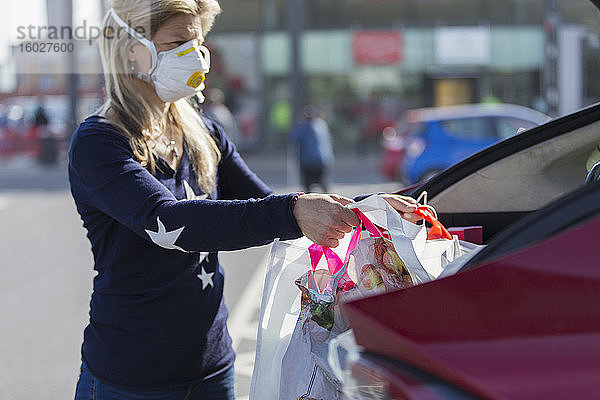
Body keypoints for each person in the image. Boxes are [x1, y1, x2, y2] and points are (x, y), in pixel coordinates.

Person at [69, 1, 419, 399]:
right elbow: (166, 223)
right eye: (177, 41)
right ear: (131, 49)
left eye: (198, 42)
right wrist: (292, 212)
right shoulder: (99, 141)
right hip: (129, 376)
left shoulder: (205, 133)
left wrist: (364, 208)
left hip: (212, 367)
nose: (195, 55)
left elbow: (267, 205)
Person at [290, 105, 334, 193]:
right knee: (323, 185)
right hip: (322, 160)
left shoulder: (302, 126)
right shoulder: (322, 124)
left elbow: (293, 140)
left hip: (307, 161)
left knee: (308, 187)